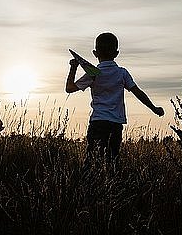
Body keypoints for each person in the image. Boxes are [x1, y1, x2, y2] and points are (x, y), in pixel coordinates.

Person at [65, 33, 164, 166]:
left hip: (98, 123)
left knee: (92, 163)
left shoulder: (93, 73)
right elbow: (138, 92)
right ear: (116, 53)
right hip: (115, 125)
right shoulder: (122, 73)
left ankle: (90, 186)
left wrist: (73, 68)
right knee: (112, 162)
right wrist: (154, 108)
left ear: (95, 53)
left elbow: (70, 88)